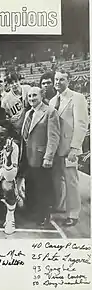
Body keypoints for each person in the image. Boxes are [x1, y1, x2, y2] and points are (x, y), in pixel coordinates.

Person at [49, 69, 89, 226]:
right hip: (56, 149)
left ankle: (73, 213)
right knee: (57, 180)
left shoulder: (77, 98)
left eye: (61, 79)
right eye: (56, 79)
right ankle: (60, 206)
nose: (57, 82)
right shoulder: (53, 101)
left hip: (69, 149)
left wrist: (74, 148)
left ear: (69, 81)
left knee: (71, 181)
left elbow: (81, 124)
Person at [21, 87, 60, 226]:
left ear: (41, 95)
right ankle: (31, 211)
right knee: (30, 185)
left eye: (34, 95)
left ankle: (43, 215)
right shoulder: (28, 113)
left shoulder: (50, 112)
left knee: (43, 188)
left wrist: (48, 157)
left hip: (41, 157)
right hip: (27, 156)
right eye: (29, 96)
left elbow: (53, 137)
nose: (31, 98)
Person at [2, 73, 31, 137]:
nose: (14, 84)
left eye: (16, 81)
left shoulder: (28, 89)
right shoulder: (6, 100)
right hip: (18, 130)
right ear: (8, 85)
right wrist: (9, 120)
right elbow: (4, 118)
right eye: (11, 83)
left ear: (19, 81)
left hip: (31, 124)